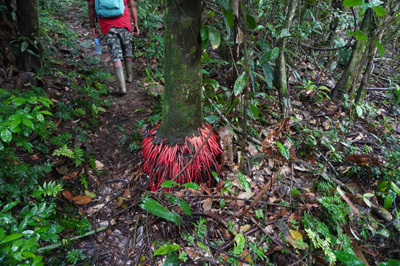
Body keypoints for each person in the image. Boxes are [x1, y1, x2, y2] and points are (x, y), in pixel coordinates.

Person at [88, 0, 140, 95]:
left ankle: (122, 88)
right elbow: (132, 5)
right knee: (127, 48)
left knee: (116, 55)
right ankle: (129, 76)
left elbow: (91, 6)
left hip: (107, 25)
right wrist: (136, 24)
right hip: (124, 22)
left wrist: (93, 26)